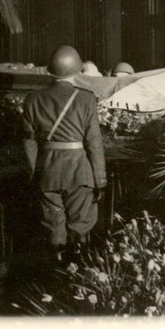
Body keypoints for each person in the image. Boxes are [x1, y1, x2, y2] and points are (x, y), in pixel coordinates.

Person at [21, 45, 108, 263]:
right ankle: (76, 273)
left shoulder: (33, 99)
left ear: (51, 70)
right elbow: (94, 142)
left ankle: (56, 271)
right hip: (79, 171)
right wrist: (100, 179)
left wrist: (34, 174)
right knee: (80, 224)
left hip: (48, 171)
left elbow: (29, 143)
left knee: (53, 225)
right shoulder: (86, 99)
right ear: (77, 70)